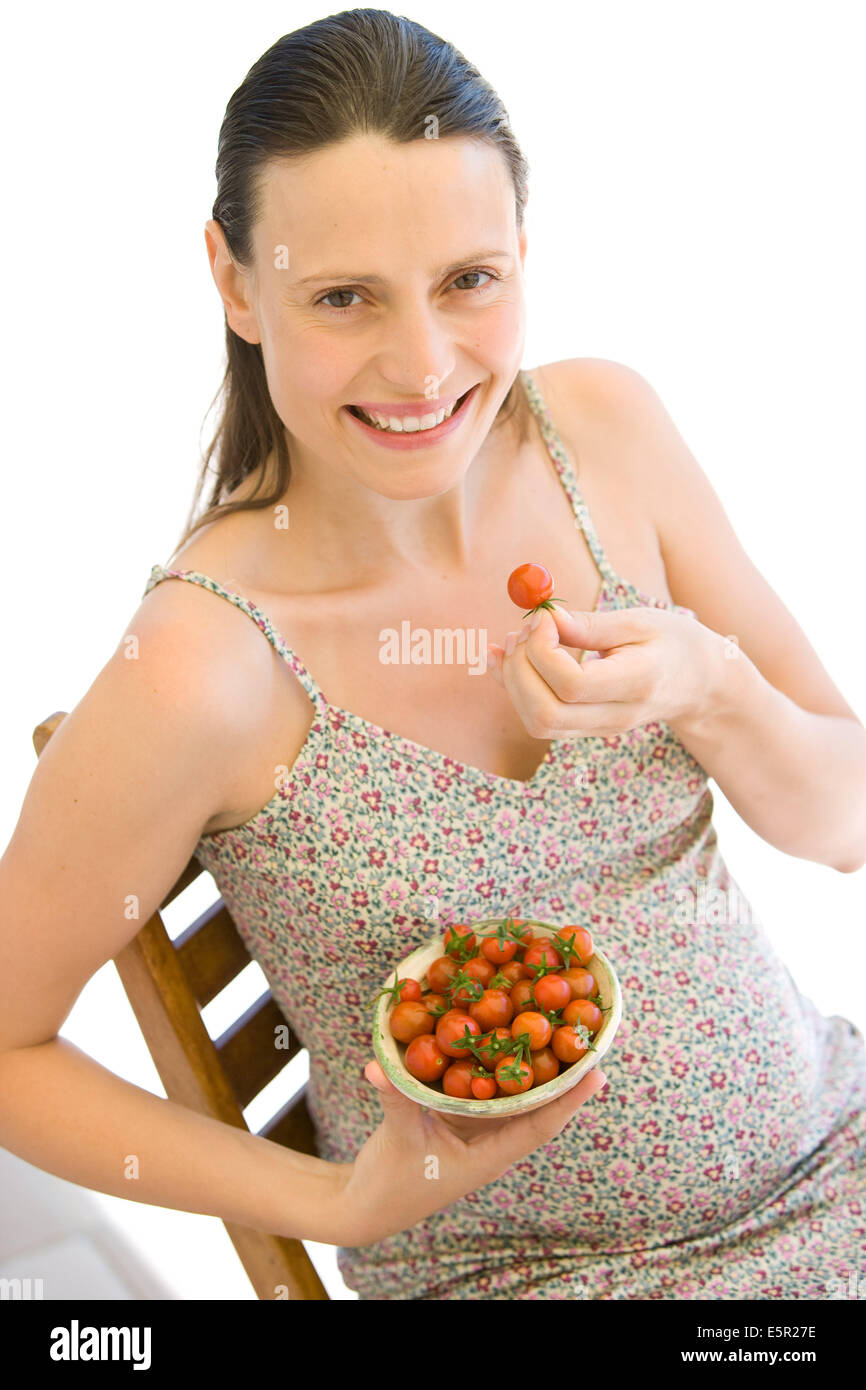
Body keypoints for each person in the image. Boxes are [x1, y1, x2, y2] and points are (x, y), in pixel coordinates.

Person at [3, 10, 865, 1301]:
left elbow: (840, 815)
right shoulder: (202, 664)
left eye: (469, 280)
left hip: (835, 1153)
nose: (421, 366)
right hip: (551, 1280)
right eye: (343, 296)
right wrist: (335, 1198)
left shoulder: (604, 434)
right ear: (235, 282)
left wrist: (708, 680)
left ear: (524, 251)